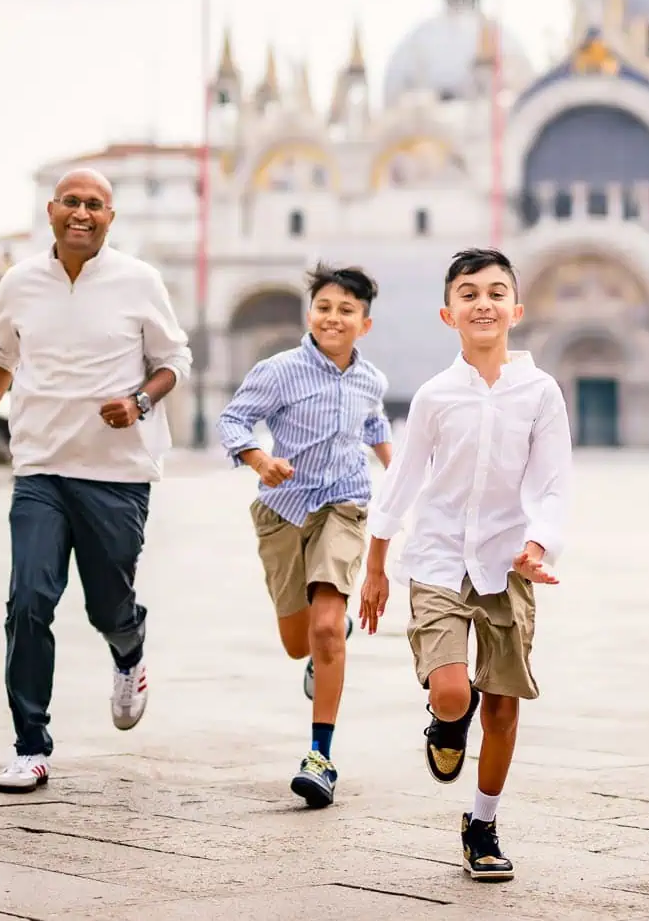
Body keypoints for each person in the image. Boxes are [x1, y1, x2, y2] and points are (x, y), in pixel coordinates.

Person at [0, 168, 192, 795]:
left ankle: (128, 648)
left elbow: (174, 361)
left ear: (111, 218)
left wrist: (139, 402)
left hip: (117, 474)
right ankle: (30, 745)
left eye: (95, 205)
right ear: (52, 210)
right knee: (28, 601)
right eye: (71, 203)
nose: (82, 213)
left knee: (105, 604)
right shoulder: (19, 281)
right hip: (39, 468)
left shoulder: (140, 281)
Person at [361, 248, 571, 883]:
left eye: (496, 292)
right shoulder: (433, 396)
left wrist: (540, 544)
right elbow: (400, 483)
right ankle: (447, 722)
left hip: (509, 564)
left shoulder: (540, 392)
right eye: (470, 294)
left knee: (504, 707)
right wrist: (376, 563)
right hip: (438, 558)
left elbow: (554, 481)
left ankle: (482, 824)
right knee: (455, 692)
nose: (485, 303)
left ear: (517, 308)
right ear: (448, 313)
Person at [217, 263, 393, 809]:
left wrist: (401, 472)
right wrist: (259, 459)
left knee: (326, 628)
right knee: (300, 643)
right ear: (309, 313)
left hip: (343, 507)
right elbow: (234, 421)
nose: (333, 318)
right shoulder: (279, 371)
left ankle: (320, 757)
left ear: (365, 323)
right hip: (283, 512)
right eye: (324, 307)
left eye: (346, 310)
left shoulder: (372, 379)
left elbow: (374, 425)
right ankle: (321, 648)